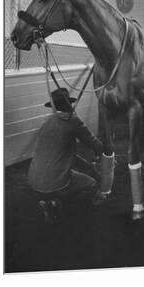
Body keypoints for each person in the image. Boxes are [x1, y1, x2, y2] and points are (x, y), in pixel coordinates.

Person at [28, 87, 104, 224]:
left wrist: (88, 166)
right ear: (68, 104)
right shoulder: (72, 121)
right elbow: (95, 144)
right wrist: (103, 151)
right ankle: (60, 206)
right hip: (55, 183)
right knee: (92, 184)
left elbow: (65, 156)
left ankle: (50, 201)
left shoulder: (47, 122)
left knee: (64, 171)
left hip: (33, 181)